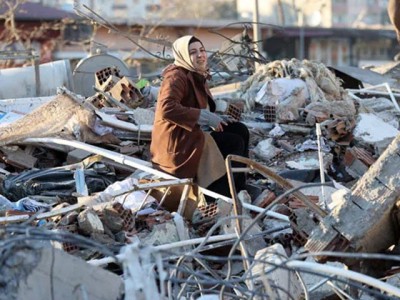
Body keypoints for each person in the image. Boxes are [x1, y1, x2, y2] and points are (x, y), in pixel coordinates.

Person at [150, 35, 249, 198]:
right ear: (182, 55)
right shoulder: (176, 76)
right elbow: (166, 108)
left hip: (192, 132)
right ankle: (219, 195)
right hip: (179, 141)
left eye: (202, 50)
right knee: (233, 143)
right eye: (193, 52)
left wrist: (215, 117)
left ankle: (239, 188)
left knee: (240, 130)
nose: (200, 55)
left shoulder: (196, 73)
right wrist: (204, 117)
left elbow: (199, 106)